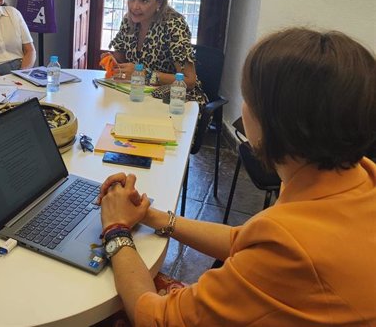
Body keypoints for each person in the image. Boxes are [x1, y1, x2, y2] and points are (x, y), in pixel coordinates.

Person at [97, 27, 376, 326]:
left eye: (248, 98)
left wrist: (115, 229)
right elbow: (244, 239)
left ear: (273, 122)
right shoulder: (362, 175)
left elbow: (155, 319)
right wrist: (153, 216)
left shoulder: (290, 247)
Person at [103, 0, 206, 105]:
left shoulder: (174, 25)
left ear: (159, 2)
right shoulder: (129, 21)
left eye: (144, 1)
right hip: (139, 95)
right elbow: (122, 55)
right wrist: (111, 60)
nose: (134, 7)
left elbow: (189, 80)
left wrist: (146, 75)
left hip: (176, 100)